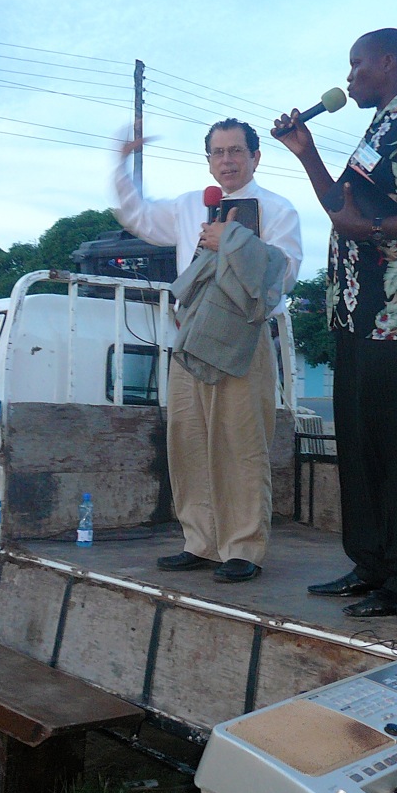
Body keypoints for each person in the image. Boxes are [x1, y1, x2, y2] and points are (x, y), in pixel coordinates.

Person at [273, 28, 397, 617]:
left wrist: (382, 232)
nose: (350, 75)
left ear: (388, 62)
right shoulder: (379, 128)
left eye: (357, 63)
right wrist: (305, 150)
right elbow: (344, 210)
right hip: (355, 312)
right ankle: (370, 565)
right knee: (360, 446)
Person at [112, 119, 302, 584]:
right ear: (209, 160)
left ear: (256, 157)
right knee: (188, 439)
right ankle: (200, 540)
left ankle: (243, 548)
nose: (228, 161)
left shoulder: (278, 209)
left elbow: (284, 276)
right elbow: (137, 215)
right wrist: (122, 163)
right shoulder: (190, 205)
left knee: (240, 443)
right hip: (191, 335)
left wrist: (233, 242)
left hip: (243, 337)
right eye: (218, 153)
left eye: (236, 151)